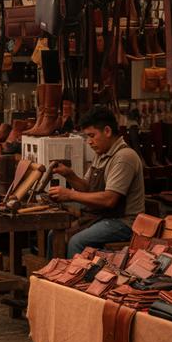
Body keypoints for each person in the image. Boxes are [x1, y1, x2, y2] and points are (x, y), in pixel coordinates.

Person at [48, 106, 145, 258]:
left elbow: (109, 200)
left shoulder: (124, 157)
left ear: (107, 131)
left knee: (77, 242)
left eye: (92, 136)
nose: (89, 142)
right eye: (87, 137)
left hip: (124, 222)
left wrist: (70, 195)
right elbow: (87, 188)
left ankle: (73, 280)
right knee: (54, 234)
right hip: (102, 217)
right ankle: (52, 277)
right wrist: (69, 174)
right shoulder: (102, 154)